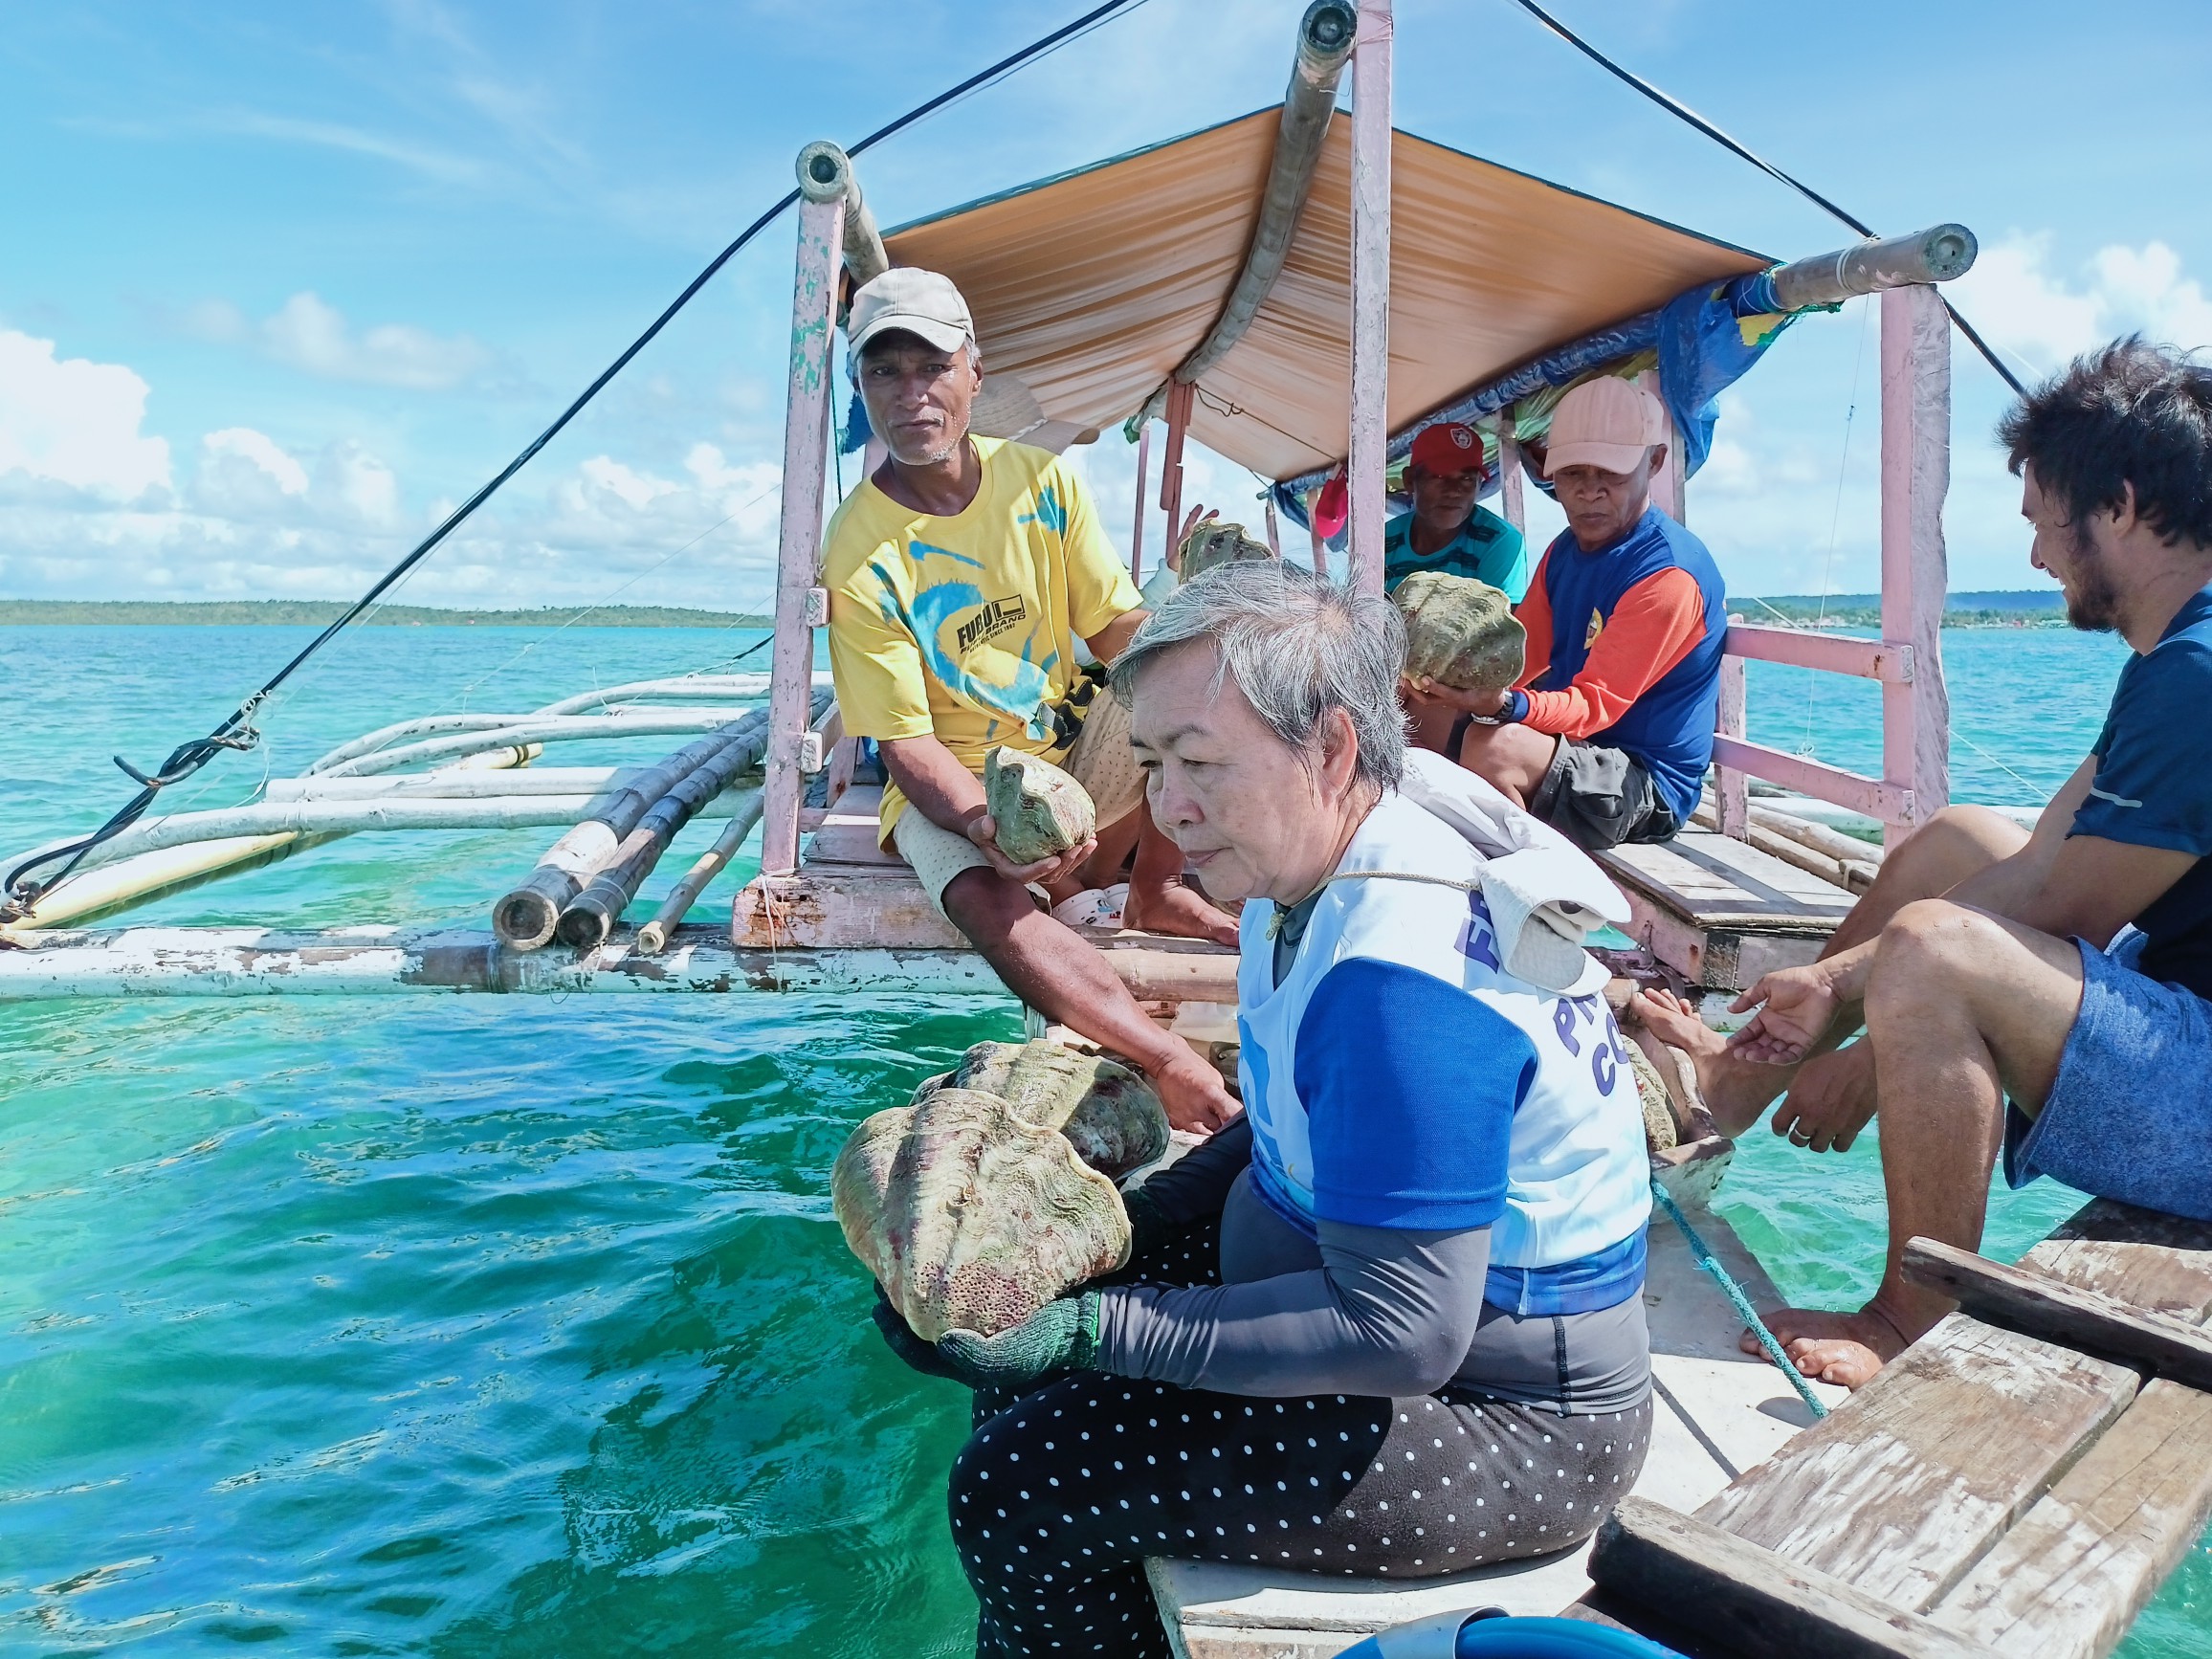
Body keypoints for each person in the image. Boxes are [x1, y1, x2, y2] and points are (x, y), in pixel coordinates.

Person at [879, 563, 1656, 1659]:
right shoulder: (1320, 849)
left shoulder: (1398, 982)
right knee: (1021, 1344)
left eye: (1199, 763)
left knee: (1020, 1487)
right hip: (1346, 1291)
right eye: (1152, 763)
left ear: (1331, 746)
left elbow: (1401, 1332)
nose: (1167, 808)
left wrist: (1090, 1330)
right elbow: (1304, 1124)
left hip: (1513, 1424)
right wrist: (1093, 1243)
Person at [1638, 338, 2212, 1390]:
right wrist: (1835, 985)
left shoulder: (2196, 674)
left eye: (2043, 523)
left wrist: (1873, 1039)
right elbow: (2043, 857)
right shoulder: (2178, 654)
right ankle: (1729, 1087)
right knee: (1954, 840)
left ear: (2122, 507)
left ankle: (1909, 1316)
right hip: (2181, 996)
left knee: (1931, 950)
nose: (2035, 559)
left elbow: (2064, 907)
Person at [822, 267, 1238, 1134]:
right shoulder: (857, 549)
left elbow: (1117, 628)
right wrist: (985, 826)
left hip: (1067, 752)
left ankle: (1157, 886)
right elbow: (905, 744)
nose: (911, 393)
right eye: (884, 372)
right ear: (860, 388)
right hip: (958, 782)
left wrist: (1209, 665)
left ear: (974, 372)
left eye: (932, 366)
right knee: (981, 897)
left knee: (1180, 678)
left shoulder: (1043, 483)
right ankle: (1160, 1056)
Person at [1407, 377, 1725, 852]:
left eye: (1611, 473)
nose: (1589, 491)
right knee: (1422, 705)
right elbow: (1521, 655)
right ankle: (1420, 847)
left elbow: (1593, 708)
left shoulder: (1668, 576)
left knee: (1496, 748)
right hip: (1570, 745)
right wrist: (1441, 687)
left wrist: (1504, 706)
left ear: (1654, 462)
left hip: (1643, 783)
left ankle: (1519, 878)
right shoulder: (1563, 552)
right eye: (1573, 473)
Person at [1382, 421, 1531, 600]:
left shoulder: (1498, 541)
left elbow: (1501, 618)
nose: (1454, 491)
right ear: (1409, 480)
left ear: (1479, 483)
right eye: (1439, 476)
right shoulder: (1383, 541)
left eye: (1467, 479)